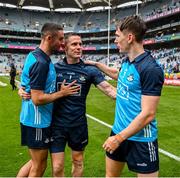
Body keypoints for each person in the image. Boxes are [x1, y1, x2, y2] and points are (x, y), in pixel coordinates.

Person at [19, 33, 117, 177]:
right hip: (57, 125)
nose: (79, 47)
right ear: (65, 47)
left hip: (78, 124)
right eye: (74, 44)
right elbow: (33, 84)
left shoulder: (89, 70)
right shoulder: (54, 68)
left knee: (78, 161)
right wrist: (21, 90)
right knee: (57, 167)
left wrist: (132, 97)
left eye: (80, 44)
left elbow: (109, 90)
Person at [85, 15, 164, 177]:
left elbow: (148, 114)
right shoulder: (127, 62)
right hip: (118, 132)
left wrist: (118, 138)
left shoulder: (150, 69)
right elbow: (120, 75)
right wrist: (97, 65)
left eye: (117, 36)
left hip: (142, 139)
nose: (115, 41)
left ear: (129, 38)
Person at [17, 23, 79, 177]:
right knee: (39, 166)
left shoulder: (35, 55)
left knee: (34, 162)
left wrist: (22, 89)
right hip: (37, 121)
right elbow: (37, 99)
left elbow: (26, 81)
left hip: (36, 119)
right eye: (60, 39)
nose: (62, 42)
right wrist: (62, 93)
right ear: (49, 38)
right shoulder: (41, 63)